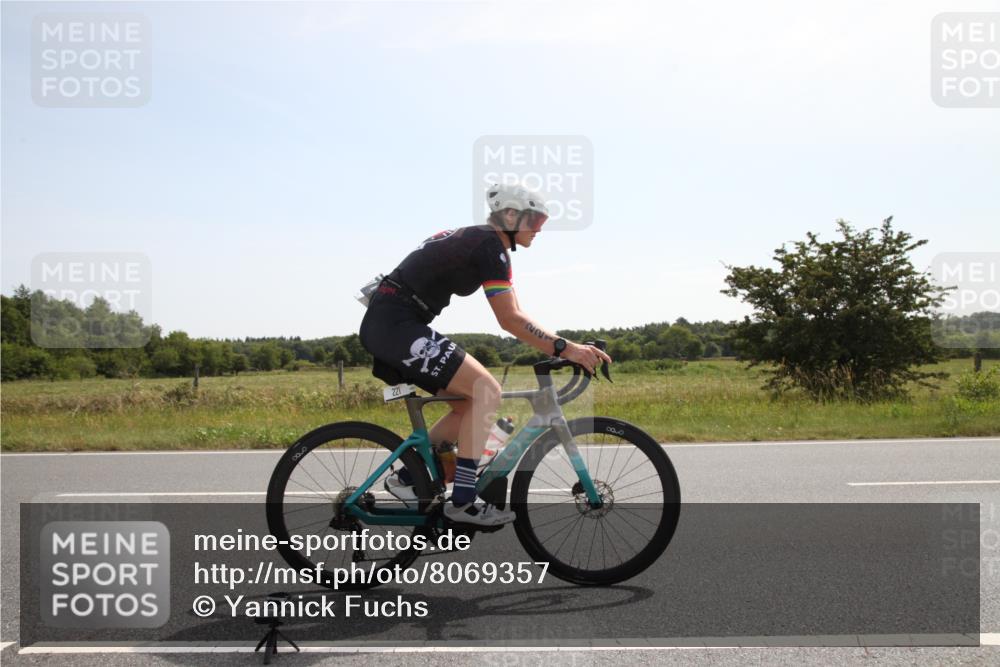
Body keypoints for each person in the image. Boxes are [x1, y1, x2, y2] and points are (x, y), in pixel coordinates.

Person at [359, 183, 612, 526]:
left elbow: (517, 311)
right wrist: (568, 348)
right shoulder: (489, 245)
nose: (540, 228)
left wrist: (561, 345)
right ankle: (463, 501)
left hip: (393, 324)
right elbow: (510, 320)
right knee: (487, 391)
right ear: (510, 214)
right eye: (535, 218)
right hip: (396, 326)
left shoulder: (485, 242)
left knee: (468, 406)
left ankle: (406, 479)